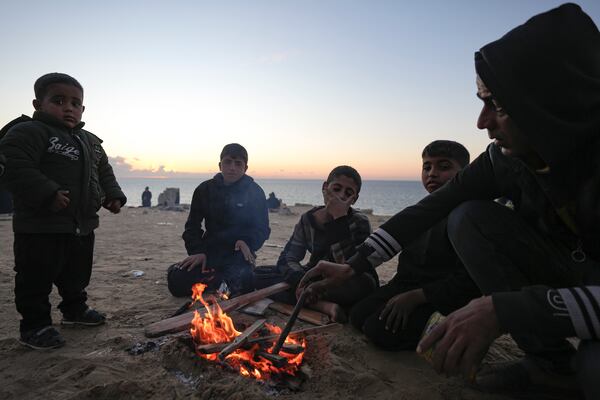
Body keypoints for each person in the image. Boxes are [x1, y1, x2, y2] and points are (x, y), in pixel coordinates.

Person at [297, 4, 600, 398]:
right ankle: (550, 366)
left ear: (551, 103)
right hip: (565, 267)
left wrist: (505, 309)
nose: (482, 121)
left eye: (500, 105)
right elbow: (430, 210)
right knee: (467, 217)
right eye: (482, 100)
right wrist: (353, 266)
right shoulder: (507, 161)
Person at [0, 73, 126, 350]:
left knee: (77, 274)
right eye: (58, 100)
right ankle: (35, 325)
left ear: (83, 109)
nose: (68, 107)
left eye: (75, 103)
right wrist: (47, 193)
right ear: (38, 104)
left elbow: (103, 172)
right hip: (40, 226)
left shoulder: (91, 141)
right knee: (35, 278)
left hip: (82, 225)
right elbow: (15, 166)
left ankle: (74, 310)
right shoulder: (28, 132)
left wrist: (113, 195)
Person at [350, 141, 480, 350]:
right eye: (427, 167)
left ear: (464, 172)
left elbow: (467, 282)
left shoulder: (466, 217)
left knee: (377, 331)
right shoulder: (420, 213)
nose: (432, 174)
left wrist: (417, 297)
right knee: (357, 315)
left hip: (440, 297)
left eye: (444, 167)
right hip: (406, 285)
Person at [254, 165, 377, 322]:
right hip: (314, 278)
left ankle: (310, 299)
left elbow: (349, 266)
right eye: (336, 188)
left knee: (364, 287)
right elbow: (288, 257)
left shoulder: (360, 222)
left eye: (348, 193)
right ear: (325, 187)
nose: (340, 196)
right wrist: (301, 280)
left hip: (348, 282)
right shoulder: (308, 219)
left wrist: (339, 219)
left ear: (354, 199)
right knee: (259, 274)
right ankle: (324, 306)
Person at [167, 143, 270, 297]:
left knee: (243, 283)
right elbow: (192, 227)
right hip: (209, 252)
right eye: (227, 162)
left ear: (245, 168)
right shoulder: (204, 189)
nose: (232, 167)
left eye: (238, 163)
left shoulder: (255, 192)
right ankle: (215, 279)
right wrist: (198, 251)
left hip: (238, 254)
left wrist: (247, 241)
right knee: (177, 282)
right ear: (220, 165)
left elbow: (262, 228)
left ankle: (219, 280)